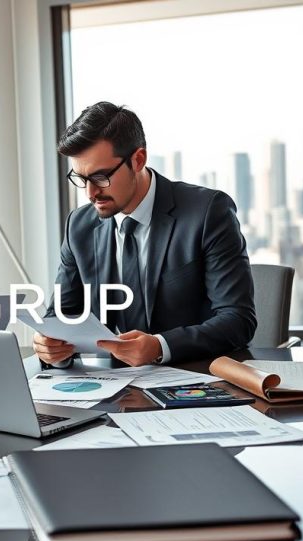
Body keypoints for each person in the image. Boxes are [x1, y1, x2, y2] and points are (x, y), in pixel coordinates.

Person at [35, 102, 255, 368]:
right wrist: (51, 347)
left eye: (101, 177)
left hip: (194, 379)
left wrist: (160, 346)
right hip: (111, 385)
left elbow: (237, 319)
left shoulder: (207, 213)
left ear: (138, 160)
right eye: (81, 179)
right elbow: (62, 317)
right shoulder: (79, 227)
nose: (91, 193)